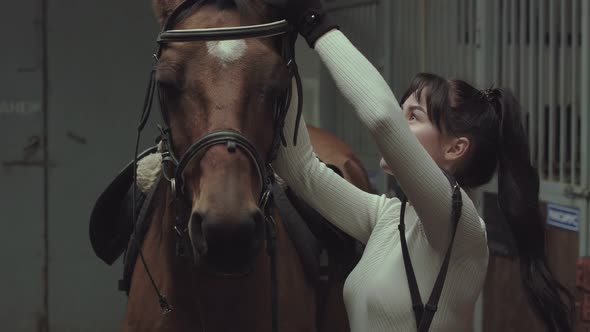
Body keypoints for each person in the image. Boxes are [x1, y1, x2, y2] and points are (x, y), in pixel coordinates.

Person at [266, 0, 574, 331]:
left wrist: (314, 22)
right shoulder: (389, 217)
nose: (400, 122)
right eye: (401, 110)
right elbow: (300, 169)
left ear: (456, 148)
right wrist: (283, 50)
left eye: (413, 116)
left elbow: (382, 118)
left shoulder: (460, 225)